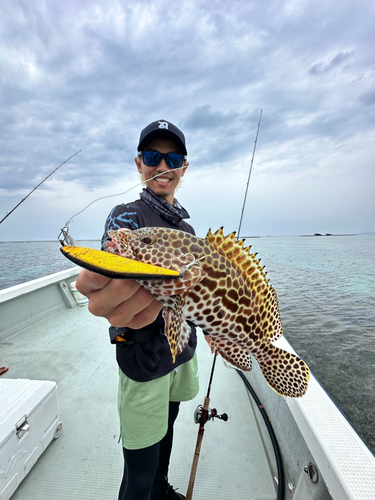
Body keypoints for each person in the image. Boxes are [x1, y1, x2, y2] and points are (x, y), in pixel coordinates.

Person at [76, 120, 200, 500]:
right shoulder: (125, 216)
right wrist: (112, 283)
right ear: (139, 164)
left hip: (180, 348)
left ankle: (161, 488)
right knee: (140, 463)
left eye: (172, 158)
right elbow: (108, 268)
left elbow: (192, 293)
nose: (163, 165)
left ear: (183, 167)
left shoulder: (187, 229)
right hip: (143, 350)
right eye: (152, 156)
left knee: (170, 420)